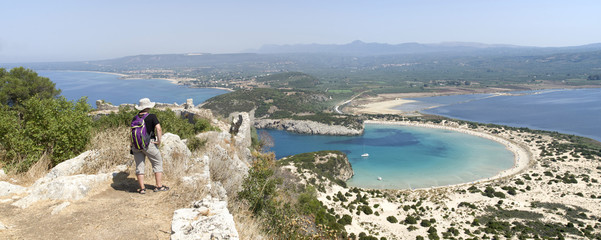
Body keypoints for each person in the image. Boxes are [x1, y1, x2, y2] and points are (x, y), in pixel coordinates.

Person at [131, 98, 169, 194]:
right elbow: (159, 129)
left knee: (139, 166)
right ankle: (159, 186)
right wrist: (158, 141)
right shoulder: (152, 116)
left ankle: (142, 188)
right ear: (148, 107)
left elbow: (131, 133)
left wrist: (131, 145)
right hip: (149, 144)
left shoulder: (135, 118)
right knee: (157, 163)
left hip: (136, 145)